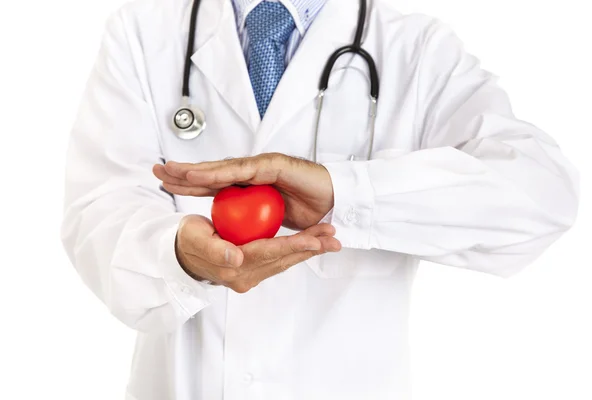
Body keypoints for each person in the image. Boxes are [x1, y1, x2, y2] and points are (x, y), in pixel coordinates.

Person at [61, 0, 579, 398]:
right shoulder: (144, 31)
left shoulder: (415, 50)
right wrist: (179, 255)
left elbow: (542, 193)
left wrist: (345, 195)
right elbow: (97, 211)